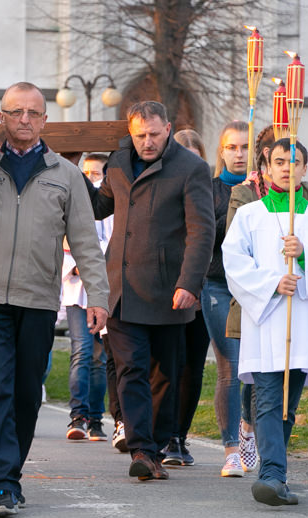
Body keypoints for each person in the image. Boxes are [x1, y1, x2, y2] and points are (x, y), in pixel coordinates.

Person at [0, 81, 109, 518]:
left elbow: (85, 240)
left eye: (33, 112)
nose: (25, 119)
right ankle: (2, 484)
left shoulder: (65, 174)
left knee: (26, 394)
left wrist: (97, 296)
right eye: (16, 112)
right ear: (1, 118)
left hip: (40, 298)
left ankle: (12, 474)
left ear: (45, 120)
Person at [91, 101, 214, 482]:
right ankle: (142, 449)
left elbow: (202, 231)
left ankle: (157, 445)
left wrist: (188, 283)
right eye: (140, 134)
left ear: (168, 129)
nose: (147, 142)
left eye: (154, 134)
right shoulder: (117, 163)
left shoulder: (191, 168)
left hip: (168, 290)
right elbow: (98, 207)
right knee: (131, 369)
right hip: (122, 288)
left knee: (165, 374)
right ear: (130, 132)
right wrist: (72, 168)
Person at [223, 139, 308, 505]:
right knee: (266, 399)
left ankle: (275, 471)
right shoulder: (250, 215)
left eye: (294, 162)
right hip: (265, 321)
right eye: (279, 161)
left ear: (304, 169)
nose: (286, 167)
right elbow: (234, 263)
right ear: (266, 168)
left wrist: (306, 254)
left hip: (302, 323)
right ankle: (272, 475)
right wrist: (273, 283)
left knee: (285, 406)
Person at [194, 121, 251, 477]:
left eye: (245, 147)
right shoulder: (210, 189)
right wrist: (236, 206)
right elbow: (205, 235)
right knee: (230, 367)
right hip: (218, 284)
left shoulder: (262, 189)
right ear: (222, 151)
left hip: (256, 288)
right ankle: (232, 448)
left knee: (256, 368)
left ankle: (249, 432)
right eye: (232, 147)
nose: (239, 153)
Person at [161, 129, 212, 468]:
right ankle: (162, 433)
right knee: (167, 365)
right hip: (165, 286)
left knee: (192, 366)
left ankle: (179, 435)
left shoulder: (207, 188)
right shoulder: (162, 187)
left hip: (201, 288)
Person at [64, 153, 112, 441]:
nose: (92, 179)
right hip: (75, 288)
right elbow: (64, 240)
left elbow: (112, 240)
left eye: (97, 174)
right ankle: (78, 415)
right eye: (87, 173)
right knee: (81, 351)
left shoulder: (109, 208)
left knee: (100, 356)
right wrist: (77, 264)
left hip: (102, 288)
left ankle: (96, 418)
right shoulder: (70, 202)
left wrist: (96, 262)